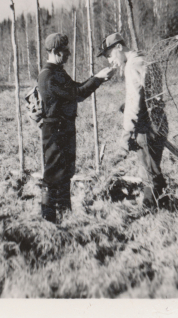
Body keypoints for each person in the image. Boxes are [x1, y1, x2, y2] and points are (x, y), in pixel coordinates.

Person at [38, 33, 116, 223]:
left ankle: (65, 217)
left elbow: (77, 89)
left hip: (62, 130)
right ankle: (48, 222)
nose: (69, 54)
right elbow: (78, 94)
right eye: (65, 51)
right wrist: (97, 78)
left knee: (65, 174)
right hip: (55, 132)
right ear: (56, 52)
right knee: (54, 176)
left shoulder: (57, 71)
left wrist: (98, 79)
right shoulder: (49, 75)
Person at [97, 32, 169, 211]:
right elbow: (148, 92)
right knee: (152, 166)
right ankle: (161, 203)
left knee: (148, 170)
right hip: (159, 122)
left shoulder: (131, 66)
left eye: (110, 55)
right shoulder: (145, 59)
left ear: (119, 47)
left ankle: (151, 209)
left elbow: (134, 102)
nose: (111, 61)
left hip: (146, 127)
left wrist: (126, 133)